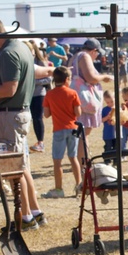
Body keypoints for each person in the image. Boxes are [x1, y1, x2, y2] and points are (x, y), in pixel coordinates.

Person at [0, 16, 45, 230]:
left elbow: (10, 89)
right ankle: (34, 212)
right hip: (19, 113)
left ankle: (24, 218)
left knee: (13, 169)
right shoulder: (22, 47)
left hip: (9, 115)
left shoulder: (7, 53)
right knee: (22, 167)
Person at [41, 66, 81, 198]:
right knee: (73, 157)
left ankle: (59, 188)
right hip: (72, 128)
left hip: (58, 129)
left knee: (57, 161)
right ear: (67, 79)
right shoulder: (73, 93)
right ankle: (79, 185)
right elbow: (78, 112)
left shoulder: (49, 94)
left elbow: (46, 114)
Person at [71, 38, 112, 146]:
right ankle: (83, 161)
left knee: (79, 134)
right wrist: (104, 77)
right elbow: (91, 78)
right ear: (94, 50)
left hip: (76, 98)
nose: (97, 57)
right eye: (97, 53)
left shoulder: (75, 56)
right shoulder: (85, 56)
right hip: (84, 99)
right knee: (83, 134)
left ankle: (81, 160)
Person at [27, 40, 50, 152]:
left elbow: (49, 78)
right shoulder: (25, 60)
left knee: (37, 118)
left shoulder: (40, 62)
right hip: (27, 94)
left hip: (38, 94)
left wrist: (34, 81)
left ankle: (40, 142)